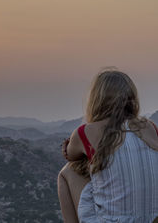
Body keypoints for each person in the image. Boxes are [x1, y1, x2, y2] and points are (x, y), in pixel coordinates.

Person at [57, 69, 158, 223]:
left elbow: (70, 155)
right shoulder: (150, 127)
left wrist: (69, 146)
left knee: (68, 172)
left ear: (97, 100)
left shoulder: (86, 132)